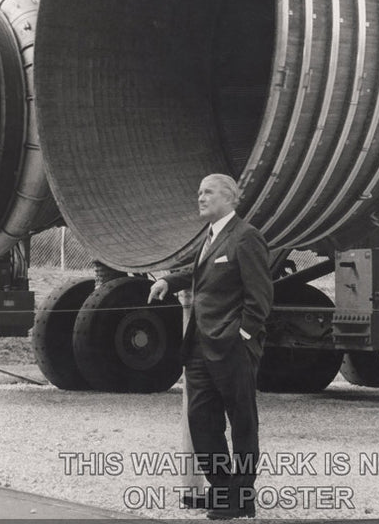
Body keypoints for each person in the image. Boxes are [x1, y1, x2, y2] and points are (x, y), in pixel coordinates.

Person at [148, 173, 273, 519]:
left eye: (208, 192)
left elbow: (260, 299)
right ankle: (224, 493)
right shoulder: (213, 236)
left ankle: (239, 497)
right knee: (202, 420)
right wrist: (168, 280)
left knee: (242, 423)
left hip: (232, 348)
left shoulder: (246, 238)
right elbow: (201, 271)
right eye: (199, 192)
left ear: (230, 198)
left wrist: (243, 337)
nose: (200, 198)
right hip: (200, 348)